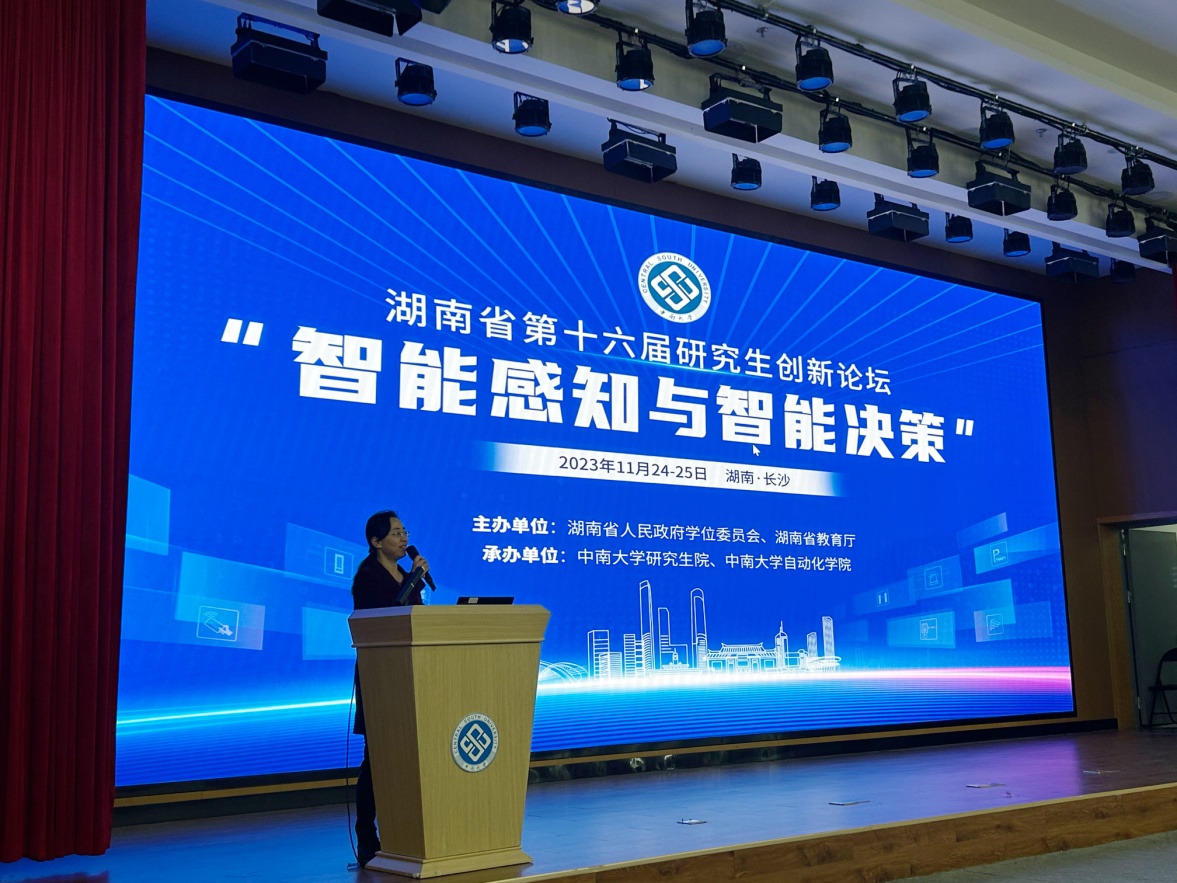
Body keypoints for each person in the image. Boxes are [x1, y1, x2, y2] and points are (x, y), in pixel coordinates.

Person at [351, 509, 429, 867]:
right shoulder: (368, 576)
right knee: (377, 759)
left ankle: (405, 833)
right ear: (376, 541)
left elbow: (416, 624)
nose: (403, 538)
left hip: (410, 676)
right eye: (396, 533)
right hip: (381, 678)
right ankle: (367, 837)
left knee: (409, 757)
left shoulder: (404, 575)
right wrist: (413, 580)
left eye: (404, 531)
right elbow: (390, 617)